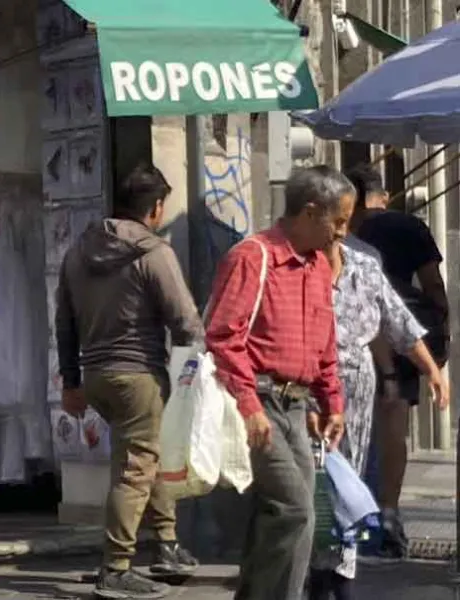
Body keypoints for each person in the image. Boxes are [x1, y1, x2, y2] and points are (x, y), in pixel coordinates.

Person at [204, 165, 352, 600]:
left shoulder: (319, 267)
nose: (343, 232)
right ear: (310, 212)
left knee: (282, 515)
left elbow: (325, 343)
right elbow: (223, 336)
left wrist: (333, 402)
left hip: (296, 409)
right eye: (338, 221)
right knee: (294, 510)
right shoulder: (253, 257)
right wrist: (249, 406)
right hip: (259, 403)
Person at [55, 163, 202, 599]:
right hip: (139, 374)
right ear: (155, 208)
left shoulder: (78, 252)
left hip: (97, 375)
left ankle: (167, 545)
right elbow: (185, 320)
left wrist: (71, 380)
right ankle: (117, 567)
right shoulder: (154, 252)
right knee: (136, 469)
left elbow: (63, 320)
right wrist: (198, 361)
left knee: (146, 453)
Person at [306, 231, 447, 599]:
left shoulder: (364, 264)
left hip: (353, 391)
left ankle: (337, 576)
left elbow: (395, 323)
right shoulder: (288, 263)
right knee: (311, 488)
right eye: (330, 219)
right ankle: (314, 575)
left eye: (342, 219)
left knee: (343, 483)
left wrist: (430, 369)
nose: (337, 230)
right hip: (302, 391)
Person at [349, 165, 449, 558]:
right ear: (384, 195)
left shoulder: (346, 232)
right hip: (404, 335)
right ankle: (387, 512)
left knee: (352, 421)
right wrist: (441, 341)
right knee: (393, 421)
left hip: (354, 336)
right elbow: (435, 288)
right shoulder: (410, 228)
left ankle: (351, 513)